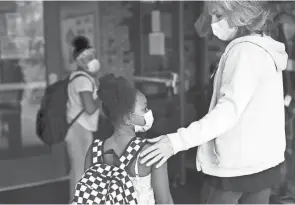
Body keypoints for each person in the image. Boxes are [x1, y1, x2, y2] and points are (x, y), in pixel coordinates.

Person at [140, 1, 288, 204]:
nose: (213, 23)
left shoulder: (243, 51)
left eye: (218, 16)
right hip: (263, 164)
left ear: (240, 15)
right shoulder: (265, 49)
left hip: (236, 168)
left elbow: (227, 112)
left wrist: (175, 142)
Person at [84, 74, 174, 204]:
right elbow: (164, 202)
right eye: (144, 109)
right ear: (128, 118)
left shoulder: (93, 151)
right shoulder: (151, 152)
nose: (149, 112)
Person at [65, 36, 101, 200]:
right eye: (88, 58)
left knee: (77, 169)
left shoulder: (79, 77)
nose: (92, 60)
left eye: (92, 56)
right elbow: (90, 107)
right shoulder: (83, 80)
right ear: (80, 61)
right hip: (80, 129)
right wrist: (102, 95)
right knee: (81, 171)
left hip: (77, 128)